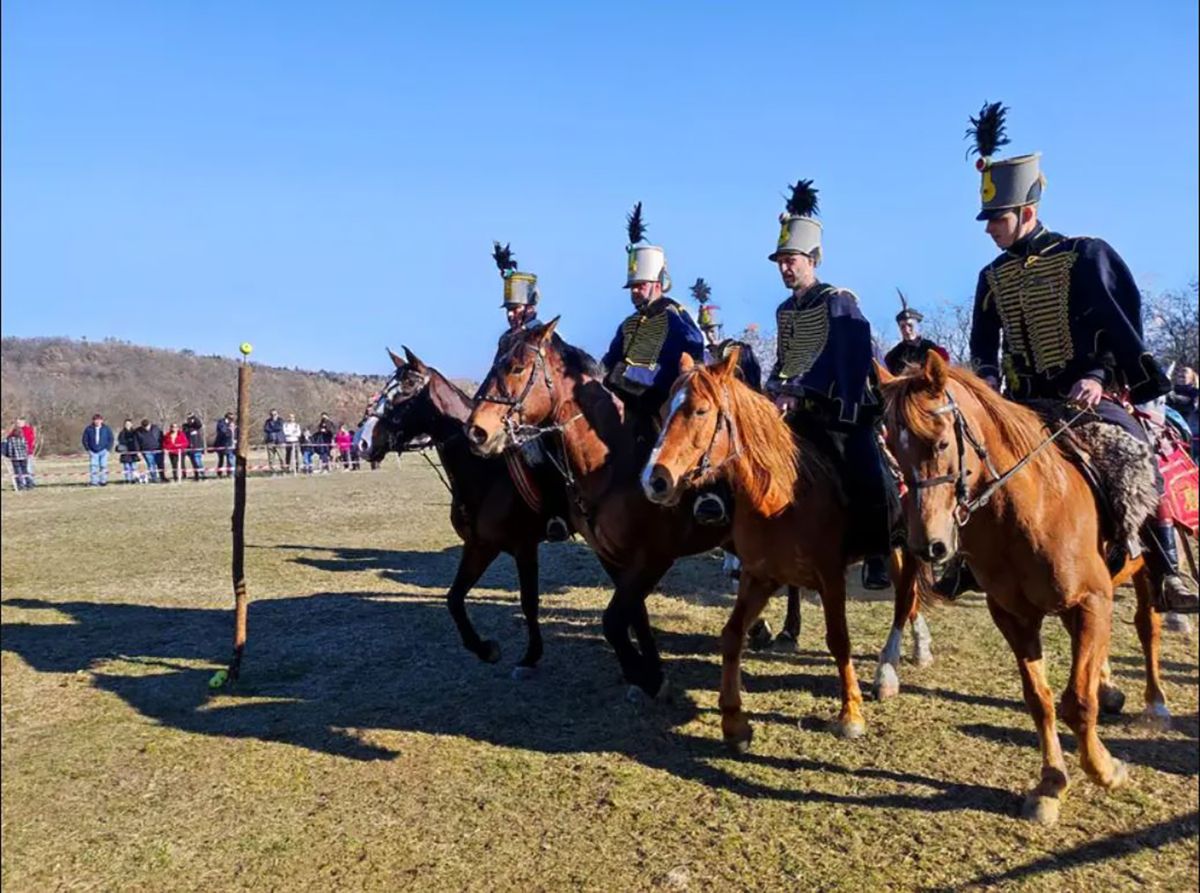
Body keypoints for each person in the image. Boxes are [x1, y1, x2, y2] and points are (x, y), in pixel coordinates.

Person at [962, 100, 1195, 613]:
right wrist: (986, 381)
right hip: (1024, 402)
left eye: (996, 218)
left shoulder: (1084, 254)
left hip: (1085, 395)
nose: (988, 228)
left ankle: (1165, 564)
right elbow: (984, 345)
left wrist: (1096, 375)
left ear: (1026, 212)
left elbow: (1118, 325)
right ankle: (967, 558)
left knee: (1134, 451)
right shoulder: (990, 278)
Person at [763, 179, 892, 590]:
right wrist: (771, 389)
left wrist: (799, 392)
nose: (786, 267)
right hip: (793, 411)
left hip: (840, 412)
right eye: (781, 260)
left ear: (813, 259)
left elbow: (847, 360)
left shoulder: (838, 300)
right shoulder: (785, 310)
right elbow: (787, 360)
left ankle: (879, 551)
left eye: (792, 259)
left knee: (866, 471)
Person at [602, 204, 716, 524]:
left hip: (662, 401)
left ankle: (706, 495)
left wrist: (640, 377)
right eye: (633, 287)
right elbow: (609, 361)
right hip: (625, 399)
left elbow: (694, 354)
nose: (636, 292)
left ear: (658, 282)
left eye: (641, 285)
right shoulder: (627, 325)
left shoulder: (676, 315)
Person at [488, 241, 572, 541]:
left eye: (516, 308)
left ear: (531, 306)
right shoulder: (504, 340)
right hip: (505, 412)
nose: (511, 314)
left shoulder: (543, 336)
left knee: (539, 455)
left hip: (539, 416)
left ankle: (558, 514)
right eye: (509, 309)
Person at [692, 278, 762, 389]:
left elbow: (752, 381)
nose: (709, 336)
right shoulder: (701, 356)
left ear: (721, 328)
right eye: (705, 331)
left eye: (711, 330)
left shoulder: (741, 351)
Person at [884, 290, 949, 375]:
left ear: (918, 326)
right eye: (902, 327)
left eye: (910, 325)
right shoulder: (893, 356)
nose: (906, 330)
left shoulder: (933, 350)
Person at [1166, 365, 1199, 460]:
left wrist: (1167, 394)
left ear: (1192, 378)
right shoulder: (1172, 392)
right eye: (1179, 372)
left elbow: (1189, 404)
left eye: (1184, 371)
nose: (1180, 373)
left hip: (1193, 436)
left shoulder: (1195, 393)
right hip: (1175, 434)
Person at [81, 414, 114, 487]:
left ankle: (103, 481)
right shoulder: (89, 429)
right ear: (93, 421)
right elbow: (84, 440)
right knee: (94, 467)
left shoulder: (106, 429)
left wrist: (108, 449)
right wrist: (88, 449)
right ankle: (94, 482)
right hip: (93, 451)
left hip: (104, 451)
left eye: (99, 420)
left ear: (102, 421)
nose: (97, 421)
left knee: (103, 466)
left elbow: (111, 439)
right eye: (96, 420)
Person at [4, 420, 34, 490]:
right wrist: (26, 454)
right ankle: (29, 484)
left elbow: (10, 448)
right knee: (25, 470)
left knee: (18, 471)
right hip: (24, 457)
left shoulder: (11, 439)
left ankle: (20, 485)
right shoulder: (23, 438)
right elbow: (26, 446)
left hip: (15, 458)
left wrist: (10, 456)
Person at [116, 418, 141, 484]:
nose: (128, 425)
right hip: (125, 452)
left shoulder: (135, 432)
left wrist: (137, 449)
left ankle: (135, 478)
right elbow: (121, 441)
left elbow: (137, 441)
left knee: (134, 466)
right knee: (126, 467)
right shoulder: (122, 433)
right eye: (126, 424)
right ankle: (128, 479)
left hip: (133, 451)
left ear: (131, 424)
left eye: (129, 424)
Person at [182, 412, 206, 481]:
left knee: (197, 461)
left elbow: (199, 424)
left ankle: (202, 474)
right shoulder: (185, 427)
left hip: (197, 447)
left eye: (190, 419)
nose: (189, 420)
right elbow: (184, 433)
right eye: (188, 419)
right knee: (193, 463)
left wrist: (194, 417)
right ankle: (197, 476)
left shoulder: (196, 426)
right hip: (189, 448)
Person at [214, 412, 237, 478]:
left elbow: (235, 432)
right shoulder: (221, 423)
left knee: (230, 459)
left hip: (231, 444)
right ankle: (219, 473)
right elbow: (223, 431)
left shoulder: (233, 424)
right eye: (230, 418)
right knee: (221, 460)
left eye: (232, 418)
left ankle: (231, 473)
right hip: (221, 444)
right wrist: (229, 428)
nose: (232, 420)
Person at [263, 409, 286, 475]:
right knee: (271, 458)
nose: (273, 416)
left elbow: (279, 428)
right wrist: (272, 429)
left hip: (279, 441)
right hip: (270, 441)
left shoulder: (280, 420)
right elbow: (265, 429)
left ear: (277, 414)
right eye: (271, 415)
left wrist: (271, 429)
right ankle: (273, 472)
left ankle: (283, 471)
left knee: (282, 457)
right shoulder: (267, 421)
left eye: (274, 414)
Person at [15, 417, 36, 486]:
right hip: (18, 454)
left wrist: (29, 450)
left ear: (23, 422)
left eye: (19, 422)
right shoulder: (15, 431)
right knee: (19, 469)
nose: (18, 424)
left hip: (27, 453)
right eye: (17, 423)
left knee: (28, 468)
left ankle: (30, 482)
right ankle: (22, 483)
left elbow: (30, 441)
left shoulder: (28, 430)